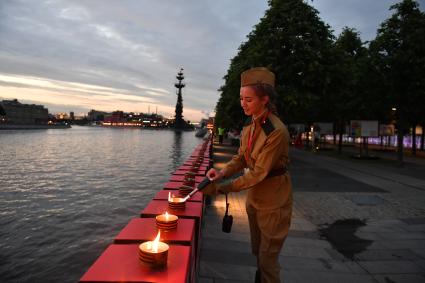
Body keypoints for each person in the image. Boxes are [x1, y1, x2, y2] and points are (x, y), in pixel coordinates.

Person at [205, 67, 292, 283]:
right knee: (257, 251)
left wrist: (222, 187)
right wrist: (222, 172)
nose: (243, 104)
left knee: (267, 260)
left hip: (273, 201)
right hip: (255, 198)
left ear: (265, 99)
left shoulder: (276, 131)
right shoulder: (250, 125)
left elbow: (258, 173)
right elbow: (242, 158)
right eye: (241, 98)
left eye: (248, 99)